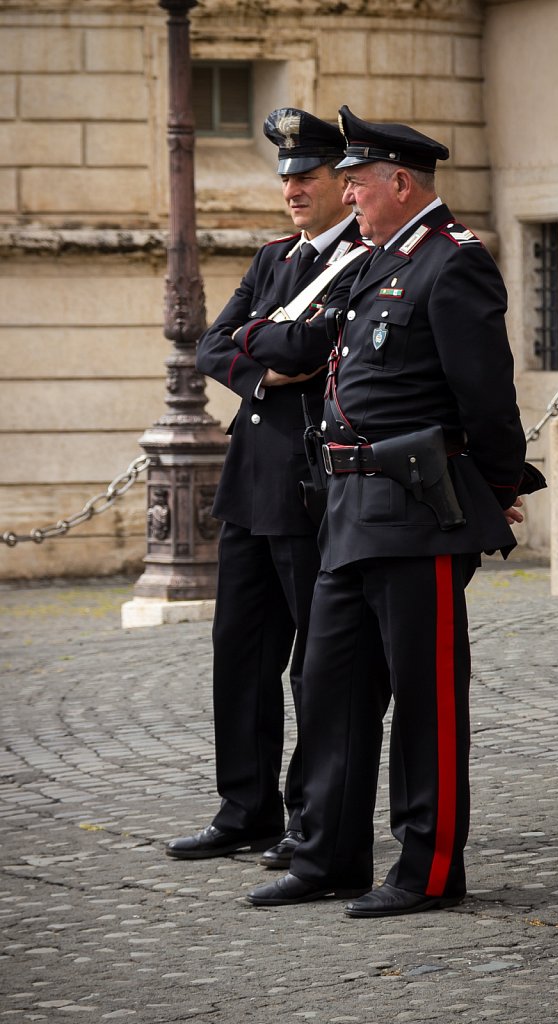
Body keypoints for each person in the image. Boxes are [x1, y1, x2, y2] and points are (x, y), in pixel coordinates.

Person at [246, 106, 545, 916]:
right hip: (348, 508)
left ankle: (426, 869)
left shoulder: (452, 264)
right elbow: (292, 347)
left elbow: (486, 396)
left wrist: (494, 490)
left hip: (417, 509)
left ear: (399, 182)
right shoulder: (371, 262)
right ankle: (326, 856)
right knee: (331, 686)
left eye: (355, 182)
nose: (346, 196)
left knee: (425, 699)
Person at [166, 108, 372, 868]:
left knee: (313, 663)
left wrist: (252, 350)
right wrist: (263, 362)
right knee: (239, 655)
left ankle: (309, 818)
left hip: (309, 485)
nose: (291, 188)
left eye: (306, 176)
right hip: (249, 481)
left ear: (340, 184)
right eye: (284, 176)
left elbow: (311, 345)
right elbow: (208, 348)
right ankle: (243, 808)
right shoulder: (272, 258)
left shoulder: (359, 260)